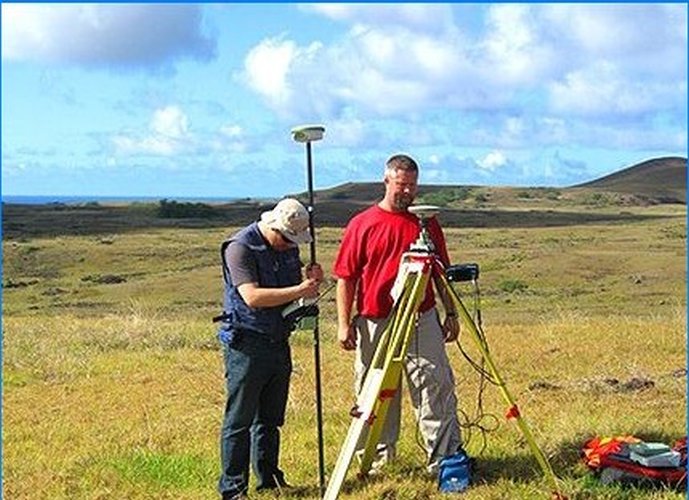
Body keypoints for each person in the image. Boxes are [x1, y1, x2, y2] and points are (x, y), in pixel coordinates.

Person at [332, 153, 463, 475]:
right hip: (375, 320)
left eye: (412, 186)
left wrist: (452, 312)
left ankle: (444, 460)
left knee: (434, 385)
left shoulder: (427, 222)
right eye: (401, 185)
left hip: (422, 317)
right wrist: (343, 323)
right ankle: (376, 463)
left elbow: (439, 272)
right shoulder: (362, 224)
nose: (406, 192)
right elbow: (345, 277)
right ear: (387, 181)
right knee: (374, 392)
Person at [217, 198, 323, 500]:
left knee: (270, 418)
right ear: (274, 226)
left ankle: (269, 479)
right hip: (247, 344)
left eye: (296, 241)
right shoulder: (240, 247)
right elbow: (252, 297)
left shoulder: (289, 247)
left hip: (278, 340)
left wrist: (310, 281)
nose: (292, 246)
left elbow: (291, 297)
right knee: (239, 420)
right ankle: (233, 489)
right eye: (288, 239)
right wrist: (300, 290)